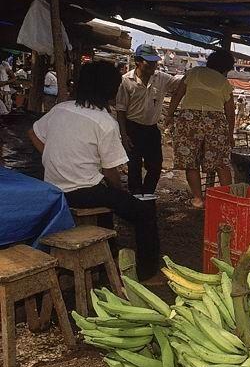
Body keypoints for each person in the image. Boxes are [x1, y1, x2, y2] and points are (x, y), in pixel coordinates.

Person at [28, 61, 161, 280]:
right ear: (110, 89)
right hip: (80, 192)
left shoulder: (61, 108)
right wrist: (121, 193)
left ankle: (106, 257)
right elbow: (111, 172)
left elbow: (33, 134)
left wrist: (50, 156)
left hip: (52, 188)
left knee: (107, 202)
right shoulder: (105, 122)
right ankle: (148, 272)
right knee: (144, 213)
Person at [165, 50, 236, 209]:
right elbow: (230, 113)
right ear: (225, 68)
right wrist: (230, 135)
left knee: (191, 162)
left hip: (189, 120)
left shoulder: (193, 73)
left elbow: (177, 95)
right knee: (221, 163)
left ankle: (198, 199)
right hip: (216, 122)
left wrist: (169, 115)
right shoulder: (224, 83)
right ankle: (228, 200)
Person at [116, 45, 182, 194]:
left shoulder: (162, 78)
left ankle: (148, 194)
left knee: (156, 165)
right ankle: (136, 197)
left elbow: (181, 84)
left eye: (155, 62)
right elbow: (121, 111)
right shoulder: (126, 81)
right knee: (134, 166)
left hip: (151, 128)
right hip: (132, 127)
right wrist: (124, 135)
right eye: (149, 62)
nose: (154, 65)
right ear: (138, 62)